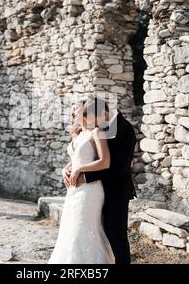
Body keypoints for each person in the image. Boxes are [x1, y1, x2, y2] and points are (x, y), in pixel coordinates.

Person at [63, 97, 137, 264]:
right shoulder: (100, 127)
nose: (93, 125)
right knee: (98, 234)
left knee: (116, 236)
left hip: (115, 191)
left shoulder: (124, 129)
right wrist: (70, 168)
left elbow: (117, 168)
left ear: (103, 113)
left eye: (93, 120)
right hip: (95, 190)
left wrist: (85, 176)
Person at [48, 101, 115, 264]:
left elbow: (105, 162)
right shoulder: (78, 135)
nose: (72, 113)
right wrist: (66, 168)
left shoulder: (96, 132)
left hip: (90, 190)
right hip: (73, 190)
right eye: (70, 110)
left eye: (75, 109)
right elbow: (76, 159)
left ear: (85, 111)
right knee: (69, 229)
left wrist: (79, 170)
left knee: (82, 229)